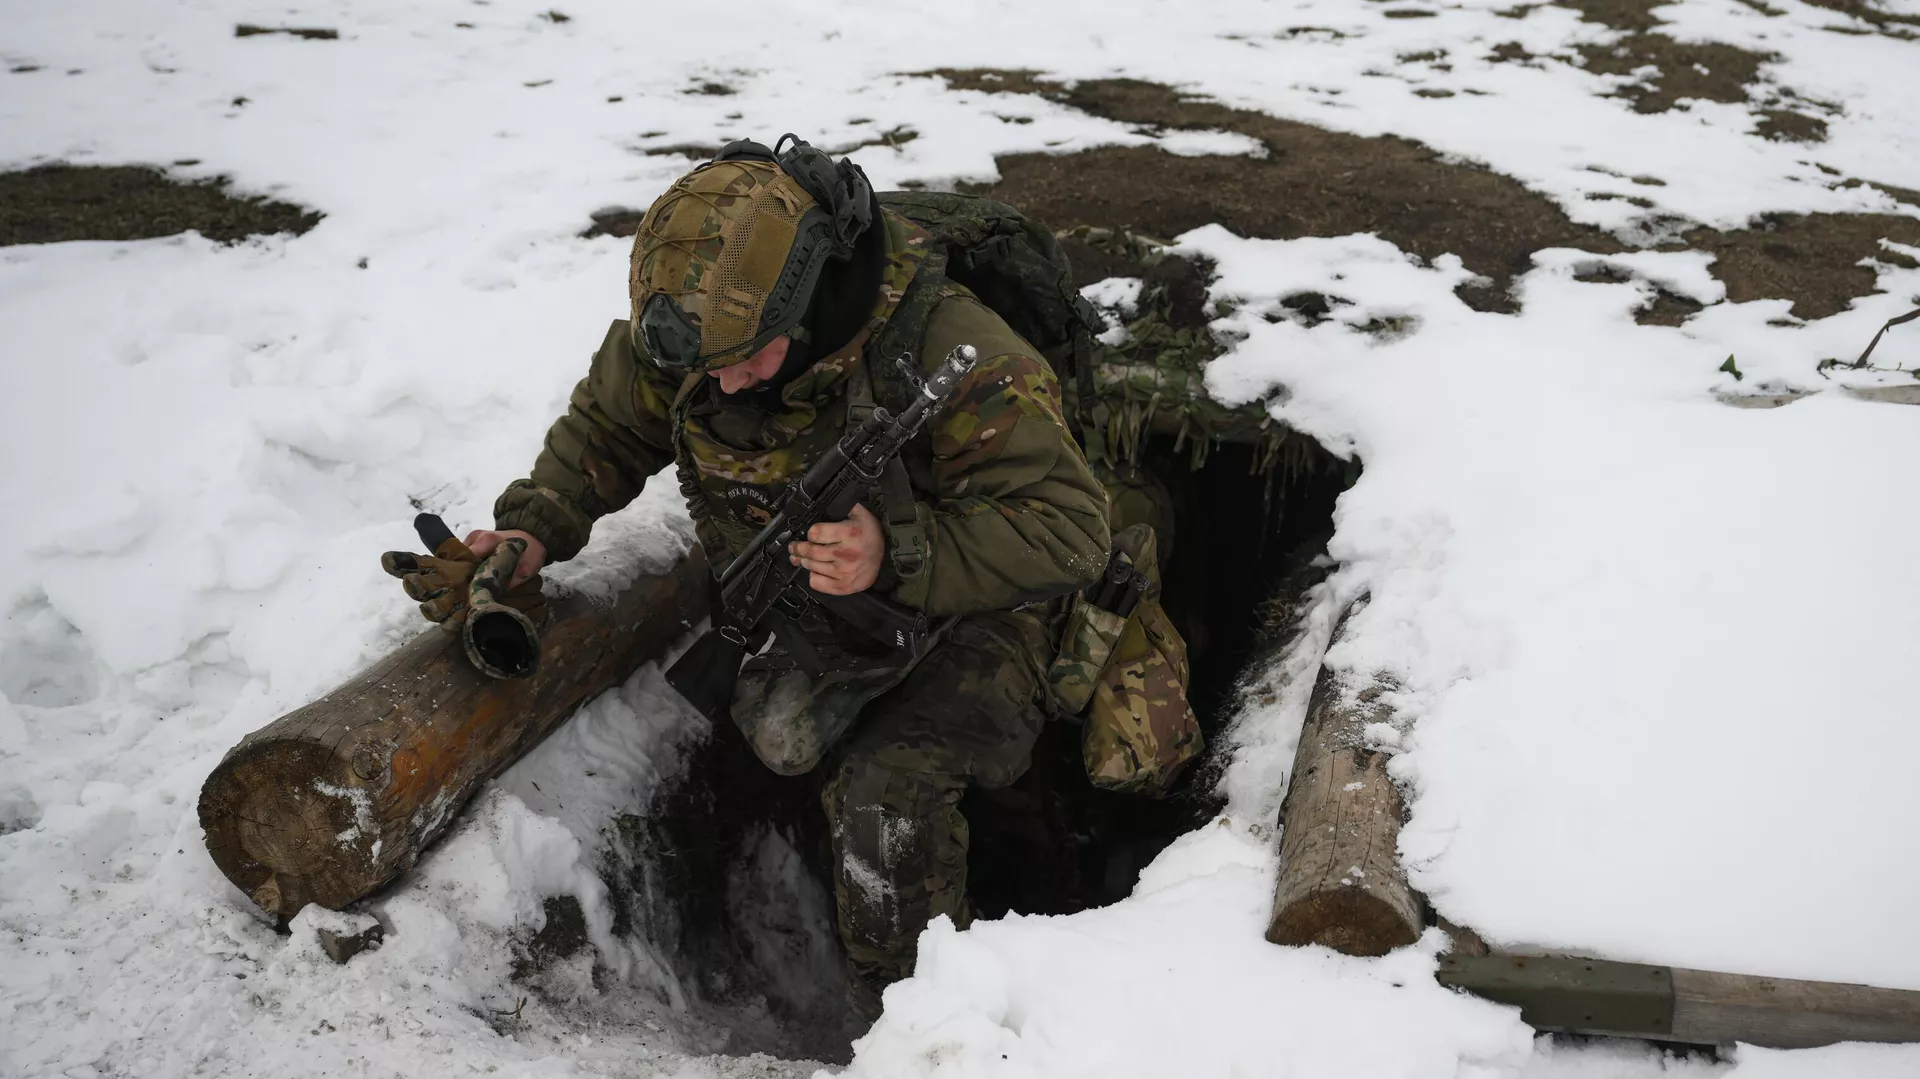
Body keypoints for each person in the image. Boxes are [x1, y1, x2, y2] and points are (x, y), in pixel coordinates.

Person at [442, 136, 1110, 1017]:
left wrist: (903, 554)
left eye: (744, 359)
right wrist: (533, 530)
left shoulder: (957, 352)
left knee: (885, 792)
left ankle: (921, 1028)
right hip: (821, 597)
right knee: (785, 747)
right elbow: (607, 430)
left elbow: (1070, 530)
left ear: (805, 306)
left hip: (987, 601)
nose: (719, 381)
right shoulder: (701, 328)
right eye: (702, 367)